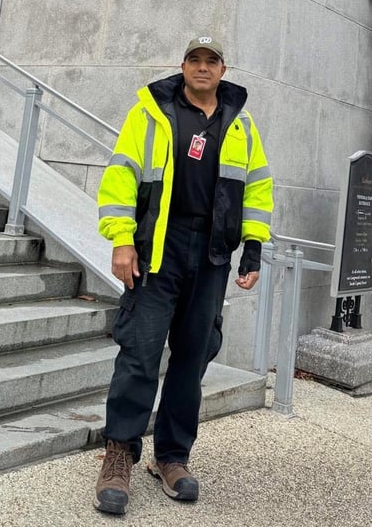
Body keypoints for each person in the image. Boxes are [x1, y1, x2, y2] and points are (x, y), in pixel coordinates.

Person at [94, 35, 273, 515]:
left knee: (193, 359)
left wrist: (253, 247)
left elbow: (257, 187)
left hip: (211, 254)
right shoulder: (151, 112)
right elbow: (121, 175)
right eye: (195, 59)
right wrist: (122, 238)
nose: (202, 67)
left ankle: (172, 457)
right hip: (158, 248)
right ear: (183, 65)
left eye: (211, 61)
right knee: (140, 353)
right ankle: (119, 454)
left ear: (223, 69)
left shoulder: (241, 124)